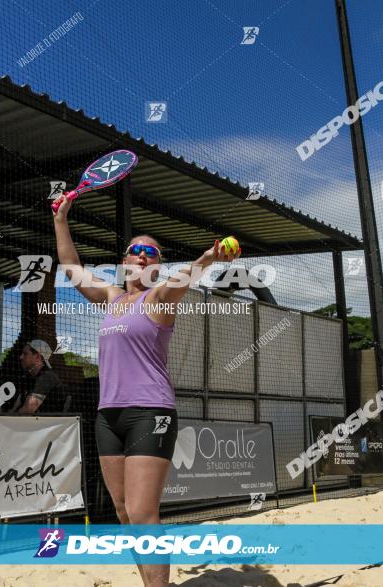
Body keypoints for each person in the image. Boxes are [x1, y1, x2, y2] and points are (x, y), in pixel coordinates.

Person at [52, 192, 239, 587]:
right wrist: (60, 219)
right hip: (109, 416)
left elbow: (185, 277)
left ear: (157, 266)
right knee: (122, 511)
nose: (141, 256)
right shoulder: (111, 297)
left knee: (142, 512)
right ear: (123, 262)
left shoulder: (159, 298)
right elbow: (70, 266)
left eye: (151, 254)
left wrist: (208, 257)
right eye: (135, 250)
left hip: (149, 413)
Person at [10, 339, 64, 414]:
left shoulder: (47, 377)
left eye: (25, 354)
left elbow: (28, 410)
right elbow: (16, 408)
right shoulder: (29, 379)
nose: (21, 357)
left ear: (38, 357)